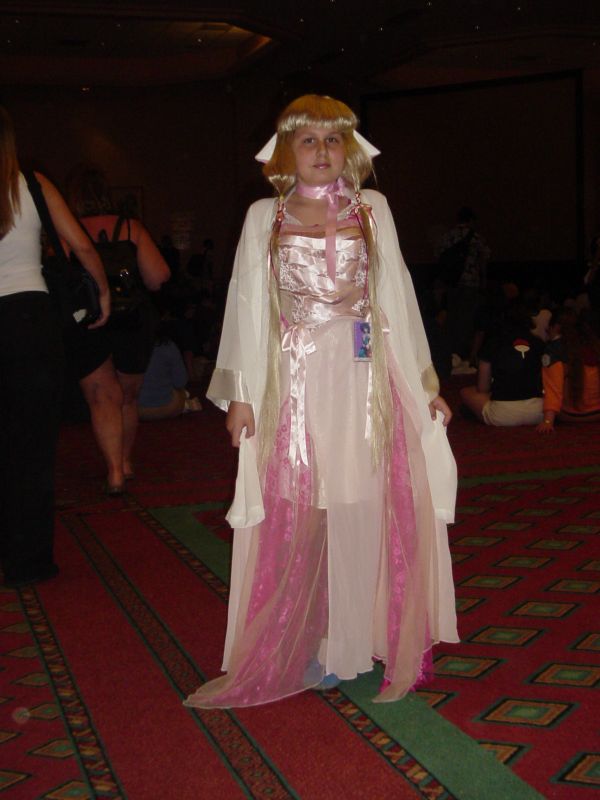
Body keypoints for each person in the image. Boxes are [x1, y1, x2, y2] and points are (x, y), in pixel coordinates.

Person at [184, 94, 458, 709]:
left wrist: (424, 386)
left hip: (364, 383)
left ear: (349, 149)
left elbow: (396, 295)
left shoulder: (372, 208)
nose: (322, 151)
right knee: (303, 511)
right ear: (286, 150)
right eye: (308, 139)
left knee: (363, 504)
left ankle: (352, 640)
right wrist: (242, 394)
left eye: (334, 139)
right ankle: (305, 636)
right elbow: (248, 305)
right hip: (297, 385)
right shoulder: (266, 215)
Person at [0, 106, 109, 586]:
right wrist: (102, 293)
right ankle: (28, 561)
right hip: (29, 320)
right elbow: (82, 246)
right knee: (33, 445)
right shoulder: (34, 184)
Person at [66, 167, 170, 493]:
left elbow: (57, 282)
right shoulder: (130, 228)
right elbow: (158, 277)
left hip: (89, 320)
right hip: (131, 321)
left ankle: (113, 471)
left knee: (102, 397)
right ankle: (125, 462)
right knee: (126, 397)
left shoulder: (68, 233)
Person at [460, 299, 544, 426]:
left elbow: (483, 388)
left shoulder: (493, 344)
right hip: (539, 411)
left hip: (503, 413)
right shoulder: (539, 343)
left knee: (466, 392)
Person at [439, 206, 491, 363]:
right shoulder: (476, 238)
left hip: (451, 282)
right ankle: (463, 353)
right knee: (466, 319)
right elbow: (484, 259)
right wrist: (483, 280)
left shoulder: (448, 236)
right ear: (471, 220)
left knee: (451, 318)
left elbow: (440, 256)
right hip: (470, 283)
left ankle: (449, 351)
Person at [536, 309, 600, 433]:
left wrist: (548, 421)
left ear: (556, 327)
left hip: (570, 415)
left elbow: (553, 388)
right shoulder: (595, 346)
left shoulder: (555, 349)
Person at [138, 319, 202, 420]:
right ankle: (185, 404)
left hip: (134, 409)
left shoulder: (125, 347)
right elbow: (181, 382)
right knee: (181, 393)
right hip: (166, 407)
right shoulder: (168, 346)